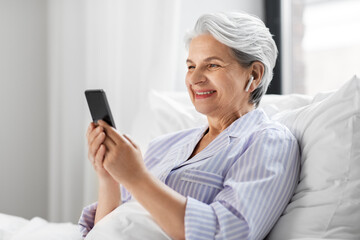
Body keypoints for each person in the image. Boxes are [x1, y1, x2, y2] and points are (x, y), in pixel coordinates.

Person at [79, 12, 300, 240]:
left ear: (254, 74)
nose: (195, 79)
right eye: (191, 66)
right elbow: (109, 227)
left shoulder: (269, 142)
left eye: (212, 65)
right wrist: (109, 179)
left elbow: (228, 233)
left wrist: (136, 177)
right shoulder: (164, 146)